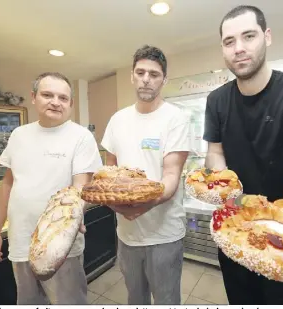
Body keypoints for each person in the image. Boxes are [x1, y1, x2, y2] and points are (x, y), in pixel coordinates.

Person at [203, 5, 283, 305]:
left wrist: (276, 232)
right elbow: (214, 155)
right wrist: (231, 201)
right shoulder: (216, 101)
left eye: (249, 36)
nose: (239, 48)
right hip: (234, 235)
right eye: (229, 41)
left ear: (267, 37)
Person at [0, 72, 103, 305]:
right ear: (34, 97)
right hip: (20, 240)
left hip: (60, 246)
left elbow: (81, 187)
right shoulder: (19, 135)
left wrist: (76, 215)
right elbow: (8, 184)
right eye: (48, 95)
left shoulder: (80, 136)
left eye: (63, 97)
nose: (55, 102)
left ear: (71, 103)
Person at [101, 45, 190, 305]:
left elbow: (172, 175)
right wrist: (114, 203)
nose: (146, 79)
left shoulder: (175, 118)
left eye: (154, 74)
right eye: (140, 72)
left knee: (166, 299)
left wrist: (145, 204)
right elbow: (110, 173)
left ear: (164, 79)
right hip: (126, 234)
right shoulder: (118, 119)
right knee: (135, 298)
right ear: (132, 76)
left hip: (164, 233)